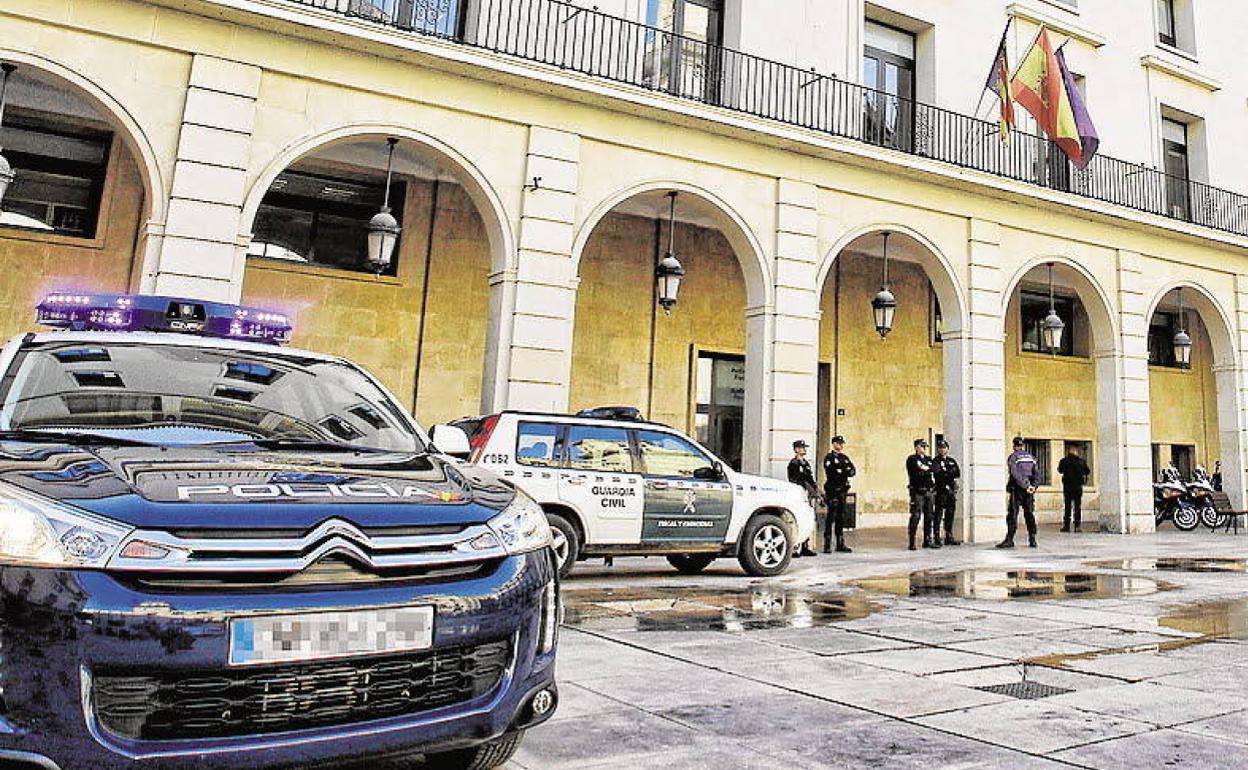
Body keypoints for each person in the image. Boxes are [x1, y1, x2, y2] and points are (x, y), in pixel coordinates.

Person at [999, 436, 1040, 549]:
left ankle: (1010, 539)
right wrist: (1033, 487)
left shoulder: (1013, 457)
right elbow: (1037, 474)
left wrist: (1025, 485)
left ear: (1014, 446)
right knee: (1029, 514)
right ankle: (1032, 539)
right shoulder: (1031, 457)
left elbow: (1015, 474)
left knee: (1012, 514)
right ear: (1023, 445)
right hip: (1029, 491)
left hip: (1017, 489)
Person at [822, 435, 855, 554]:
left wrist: (843, 471)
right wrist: (843, 471)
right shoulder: (829, 458)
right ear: (834, 444)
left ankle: (840, 543)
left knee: (841, 517)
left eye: (842, 444)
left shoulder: (844, 457)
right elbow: (832, 473)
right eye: (839, 443)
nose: (841, 446)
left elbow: (852, 470)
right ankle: (827, 544)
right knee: (831, 517)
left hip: (842, 491)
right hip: (832, 490)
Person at [787, 439, 820, 557]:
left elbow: (810, 479)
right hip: (798, 494)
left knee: (806, 519)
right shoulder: (793, 464)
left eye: (804, 447)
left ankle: (805, 546)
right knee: (798, 519)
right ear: (796, 449)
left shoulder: (805, 463)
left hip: (806, 494)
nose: (804, 450)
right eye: (801, 447)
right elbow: (795, 480)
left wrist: (815, 490)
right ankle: (796, 547)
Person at [905, 438, 937, 550]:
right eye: (922, 446)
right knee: (916, 515)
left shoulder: (928, 459)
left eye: (925, 446)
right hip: (918, 491)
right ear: (916, 447)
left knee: (929, 516)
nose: (924, 448)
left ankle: (927, 539)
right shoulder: (912, 459)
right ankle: (912, 541)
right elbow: (916, 472)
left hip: (929, 490)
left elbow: (935, 469)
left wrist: (926, 469)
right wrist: (926, 470)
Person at [932, 438, 961, 546]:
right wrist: (949, 473)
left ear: (947, 449)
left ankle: (949, 535)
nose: (942, 450)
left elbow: (957, 473)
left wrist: (947, 473)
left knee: (950, 513)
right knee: (938, 514)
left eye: (944, 448)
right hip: (941, 490)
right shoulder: (935, 461)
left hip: (951, 491)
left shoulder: (951, 461)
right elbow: (938, 474)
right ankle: (936, 536)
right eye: (940, 448)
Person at [1056, 444, 1090, 533]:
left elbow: (1059, 470)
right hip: (1078, 487)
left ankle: (1066, 526)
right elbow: (1087, 471)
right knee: (1077, 507)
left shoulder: (1064, 461)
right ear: (1075, 451)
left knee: (1067, 506)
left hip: (1067, 487)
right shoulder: (1081, 461)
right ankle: (1077, 526)